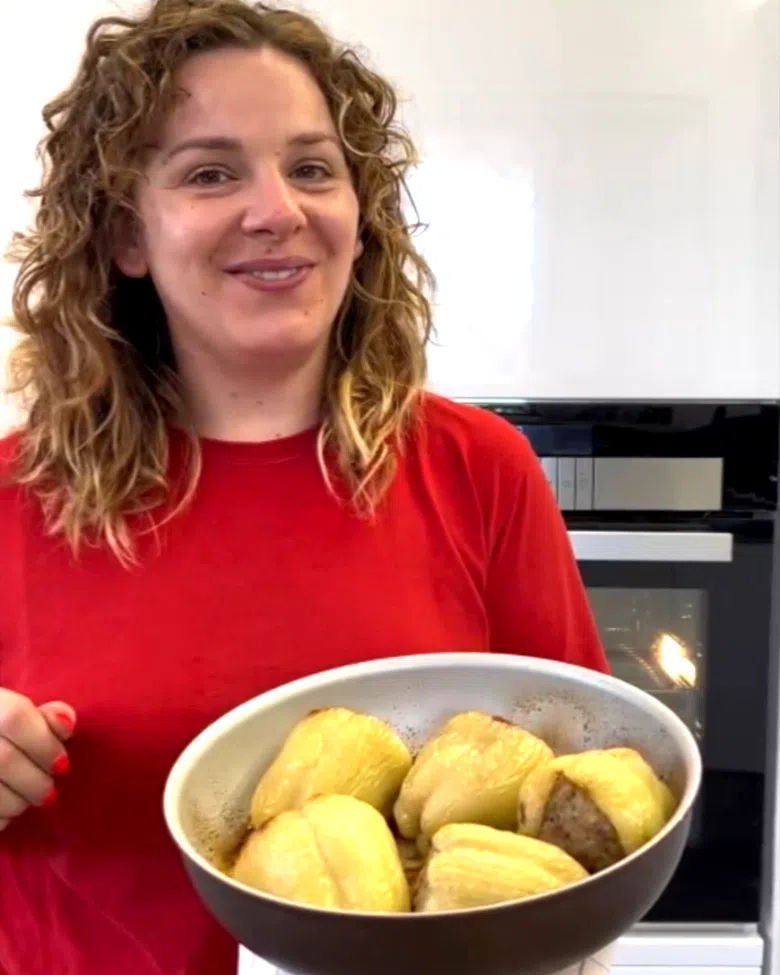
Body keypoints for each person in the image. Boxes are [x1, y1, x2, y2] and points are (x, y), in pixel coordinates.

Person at [0, 1, 609, 974]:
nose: (278, 209)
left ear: (359, 218)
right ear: (126, 234)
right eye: (210, 172)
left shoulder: (481, 470)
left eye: (313, 168)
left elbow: (589, 804)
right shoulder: (9, 497)